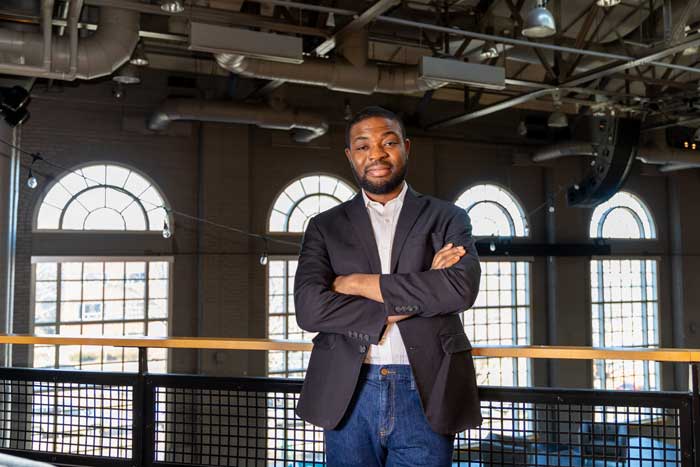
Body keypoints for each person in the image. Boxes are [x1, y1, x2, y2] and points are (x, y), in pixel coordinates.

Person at [293, 106, 481, 467]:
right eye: (362, 146)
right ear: (350, 156)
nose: (376, 154)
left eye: (388, 142)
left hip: (427, 389)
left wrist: (356, 284)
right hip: (348, 389)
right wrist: (426, 284)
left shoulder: (448, 218)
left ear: (406, 147)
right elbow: (309, 308)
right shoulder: (324, 226)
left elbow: (459, 290)